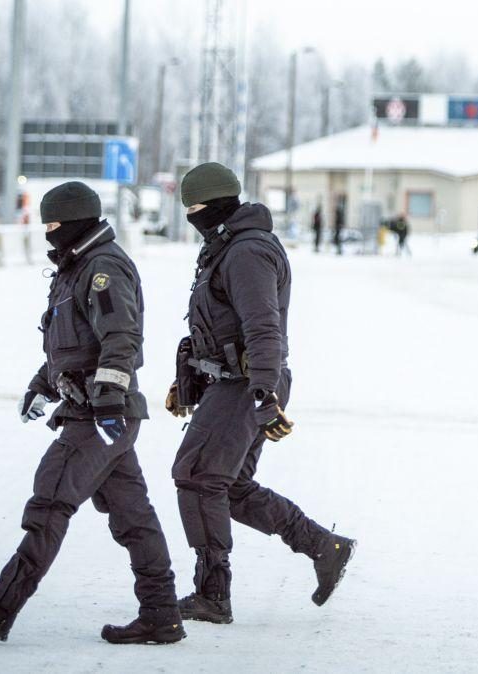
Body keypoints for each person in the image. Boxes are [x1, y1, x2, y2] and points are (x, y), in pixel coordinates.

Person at [0, 181, 184, 645]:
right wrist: (41, 386)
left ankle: (0, 605)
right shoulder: (76, 268)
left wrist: (109, 400)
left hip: (100, 414)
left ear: (75, 221)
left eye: (54, 224)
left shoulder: (102, 268)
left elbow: (120, 338)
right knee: (133, 515)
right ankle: (161, 614)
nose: (48, 233)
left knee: (52, 497)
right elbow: (72, 345)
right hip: (95, 410)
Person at [165, 162, 356, 625]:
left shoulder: (246, 252)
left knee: (195, 475)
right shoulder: (226, 246)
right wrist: (188, 373)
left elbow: (264, 329)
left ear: (214, 205)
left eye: (194, 208)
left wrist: (264, 394)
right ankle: (324, 547)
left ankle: (213, 595)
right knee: (230, 488)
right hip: (231, 383)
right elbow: (217, 323)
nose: (191, 217)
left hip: (245, 386)